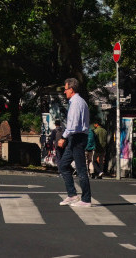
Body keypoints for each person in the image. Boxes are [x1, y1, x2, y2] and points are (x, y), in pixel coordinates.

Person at [57, 77, 93, 207]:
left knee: (81, 169)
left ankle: (86, 199)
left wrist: (64, 137)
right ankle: (72, 195)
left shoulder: (76, 102)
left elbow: (73, 124)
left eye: (65, 89)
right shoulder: (78, 101)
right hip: (75, 138)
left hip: (77, 138)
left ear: (71, 89)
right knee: (63, 165)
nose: (64, 92)